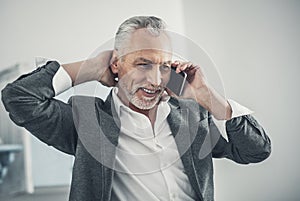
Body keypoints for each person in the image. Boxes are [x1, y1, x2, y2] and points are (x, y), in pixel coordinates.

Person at [1, 16, 271, 201]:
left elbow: (256, 151)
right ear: (116, 64)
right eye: (143, 64)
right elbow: (19, 98)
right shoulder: (86, 120)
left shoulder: (192, 115)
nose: (155, 80)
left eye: (164, 66)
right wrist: (91, 68)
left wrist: (210, 99)